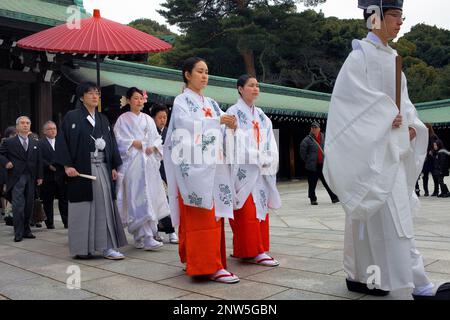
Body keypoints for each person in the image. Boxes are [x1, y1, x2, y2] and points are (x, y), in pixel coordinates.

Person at [323, 0, 450, 300]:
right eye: (394, 15)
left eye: (401, 17)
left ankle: (369, 278)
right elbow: (347, 107)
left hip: (392, 150)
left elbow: (404, 107)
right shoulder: (359, 57)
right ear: (374, 17)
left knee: (384, 221)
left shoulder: (394, 59)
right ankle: (411, 285)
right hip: (373, 153)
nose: (399, 22)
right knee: (391, 222)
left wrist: (410, 126)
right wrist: (383, 117)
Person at [164, 57, 239, 283]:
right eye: (200, 71)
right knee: (202, 217)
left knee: (213, 216)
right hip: (195, 167)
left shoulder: (212, 103)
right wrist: (218, 121)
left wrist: (230, 125)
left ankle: (210, 261)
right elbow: (185, 128)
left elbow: (222, 128)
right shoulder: (181, 101)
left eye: (207, 71)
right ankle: (207, 265)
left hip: (214, 165)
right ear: (187, 74)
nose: (205, 76)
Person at [56, 82, 127, 260]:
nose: (95, 97)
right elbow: (63, 141)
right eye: (90, 94)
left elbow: (111, 143)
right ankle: (82, 248)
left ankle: (107, 247)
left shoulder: (103, 119)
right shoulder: (72, 117)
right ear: (81, 97)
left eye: (97, 93)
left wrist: (112, 165)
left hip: (102, 167)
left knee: (104, 206)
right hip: (81, 168)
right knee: (82, 208)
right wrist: (67, 165)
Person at [226, 75, 281, 267]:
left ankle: (256, 248)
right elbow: (233, 141)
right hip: (243, 169)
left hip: (260, 169)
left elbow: (270, 141)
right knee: (246, 210)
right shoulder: (232, 113)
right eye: (251, 85)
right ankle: (251, 250)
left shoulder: (262, 116)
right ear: (240, 89)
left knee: (259, 209)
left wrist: (269, 157)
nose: (255, 88)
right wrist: (257, 156)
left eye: (257, 85)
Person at [114, 87, 170, 250]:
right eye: (136, 98)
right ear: (129, 100)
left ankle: (146, 236)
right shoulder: (122, 119)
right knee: (137, 197)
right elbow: (118, 140)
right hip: (132, 164)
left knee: (150, 196)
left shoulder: (147, 119)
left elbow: (157, 140)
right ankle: (143, 236)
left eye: (141, 98)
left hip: (148, 164)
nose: (139, 101)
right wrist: (133, 143)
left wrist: (153, 146)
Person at [0, 116, 43, 242]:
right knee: (18, 206)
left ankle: (26, 230)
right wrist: (6, 162)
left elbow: (39, 160)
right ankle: (18, 232)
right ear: (17, 126)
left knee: (28, 205)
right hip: (16, 177)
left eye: (27, 123)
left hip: (30, 177)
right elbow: (1, 154)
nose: (25, 125)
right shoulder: (9, 142)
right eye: (22, 123)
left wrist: (40, 176)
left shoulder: (35, 142)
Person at [150, 103, 179, 244]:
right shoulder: (150, 131)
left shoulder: (169, 132)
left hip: (166, 170)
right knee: (154, 201)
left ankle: (171, 231)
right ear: (153, 118)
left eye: (165, 117)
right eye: (160, 117)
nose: (163, 120)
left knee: (168, 201)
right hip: (153, 169)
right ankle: (154, 230)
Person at [300, 122, 339, 205]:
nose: (314, 129)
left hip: (323, 165)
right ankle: (313, 199)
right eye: (312, 127)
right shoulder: (307, 140)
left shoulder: (324, 138)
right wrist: (308, 160)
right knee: (312, 183)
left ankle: (334, 197)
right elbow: (302, 152)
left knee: (327, 182)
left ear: (319, 129)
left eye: (315, 127)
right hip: (312, 166)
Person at [39, 121, 68, 229]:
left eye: (54, 128)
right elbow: (38, 158)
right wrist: (47, 165)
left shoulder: (62, 142)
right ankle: (49, 223)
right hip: (48, 176)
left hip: (61, 175)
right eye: (50, 129)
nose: (52, 131)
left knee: (64, 200)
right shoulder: (40, 143)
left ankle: (66, 221)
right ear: (44, 131)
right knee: (48, 201)